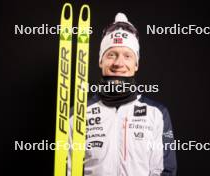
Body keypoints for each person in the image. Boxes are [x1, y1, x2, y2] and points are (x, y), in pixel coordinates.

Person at [68, 12, 177, 176]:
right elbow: (68, 170)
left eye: (127, 56)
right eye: (111, 54)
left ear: (136, 64)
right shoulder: (77, 114)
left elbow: (165, 171)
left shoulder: (157, 114)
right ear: (100, 61)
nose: (119, 63)